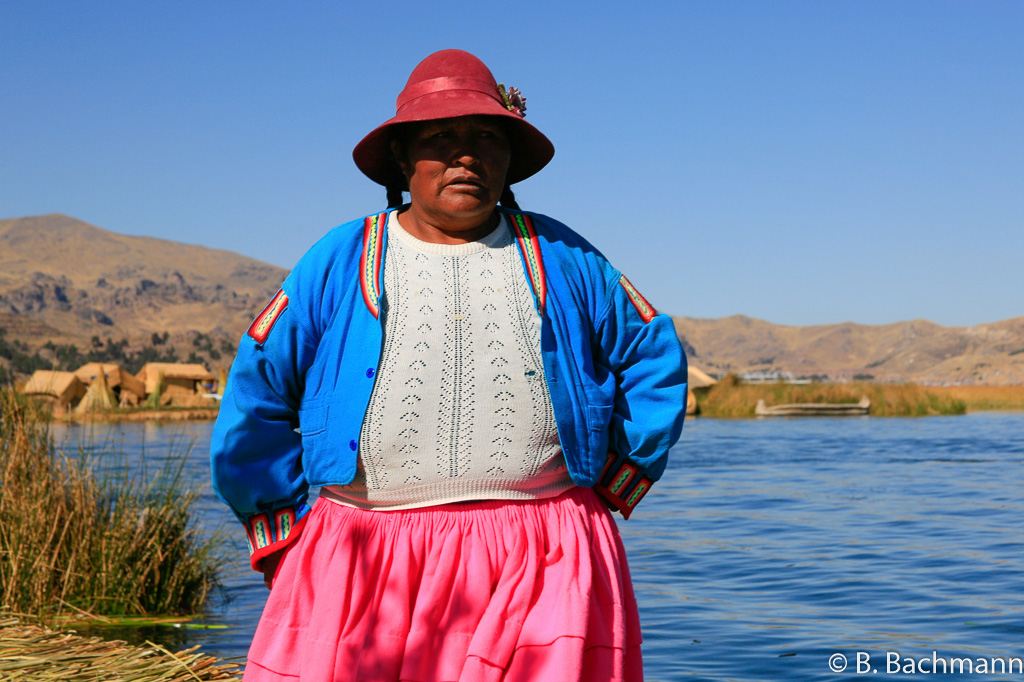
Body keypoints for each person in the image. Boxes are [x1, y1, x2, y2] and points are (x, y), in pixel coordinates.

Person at [211, 48, 687, 682]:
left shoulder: (565, 257)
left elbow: (653, 354)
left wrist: (610, 482)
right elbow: (258, 390)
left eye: (487, 137)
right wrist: (279, 529)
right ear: (404, 160)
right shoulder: (340, 258)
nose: (468, 155)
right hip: (366, 555)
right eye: (442, 139)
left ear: (509, 159)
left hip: (542, 556)